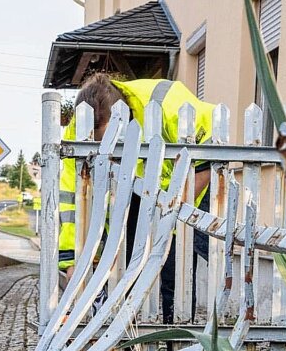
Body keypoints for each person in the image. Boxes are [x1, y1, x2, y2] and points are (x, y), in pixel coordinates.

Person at [59, 73, 215, 322]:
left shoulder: (171, 104)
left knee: (176, 265)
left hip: (192, 184)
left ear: (127, 118)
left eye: (113, 141)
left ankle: (177, 337)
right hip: (137, 190)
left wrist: (168, 217)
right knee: (129, 262)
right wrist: (70, 259)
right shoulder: (78, 130)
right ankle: (126, 341)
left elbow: (206, 164)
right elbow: (71, 198)